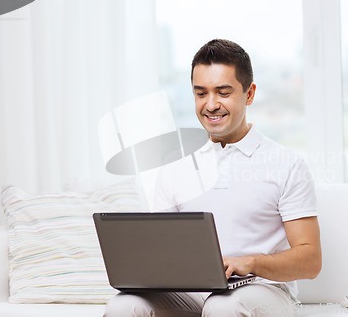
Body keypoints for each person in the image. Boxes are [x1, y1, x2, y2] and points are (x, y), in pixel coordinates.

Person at [104, 39, 322, 316]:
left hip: (263, 290)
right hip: (192, 293)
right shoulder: (175, 165)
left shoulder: (287, 164)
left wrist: (250, 262)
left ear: (249, 94)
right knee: (124, 305)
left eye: (223, 92)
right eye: (201, 93)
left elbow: (310, 260)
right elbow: (162, 249)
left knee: (222, 306)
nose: (211, 105)